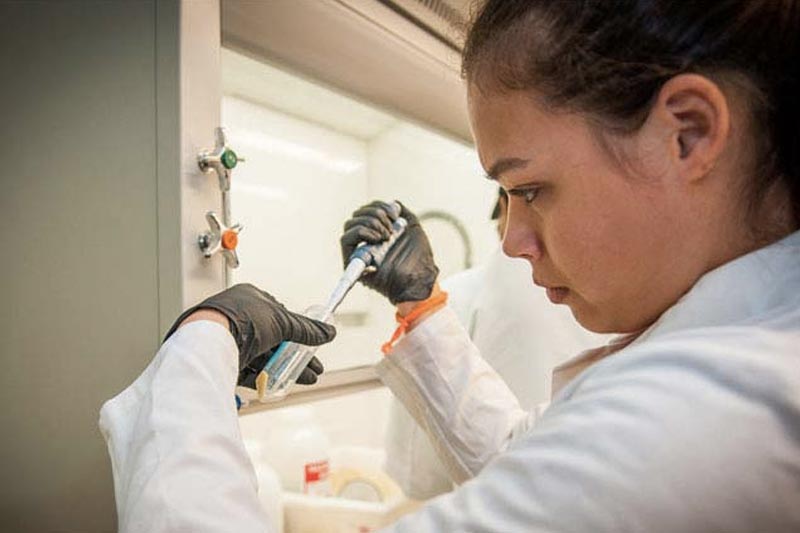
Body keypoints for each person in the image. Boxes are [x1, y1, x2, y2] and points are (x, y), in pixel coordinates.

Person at [100, 0, 800, 531]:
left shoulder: (706, 415)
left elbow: (603, 466)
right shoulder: (751, 347)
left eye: (530, 189)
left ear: (687, 133)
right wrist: (424, 305)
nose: (511, 240)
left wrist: (200, 343)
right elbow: (536, 460)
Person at [385, 189, 606, 499]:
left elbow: (418, 478)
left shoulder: (456, 299)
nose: (511, 242)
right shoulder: (627, 310)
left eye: (529, 192)